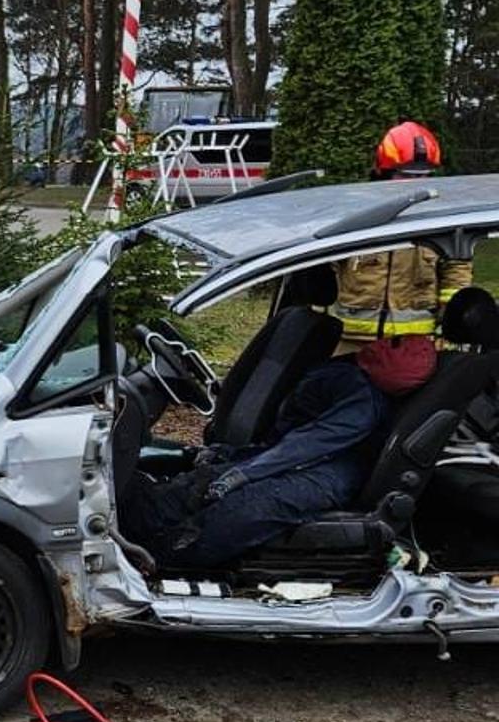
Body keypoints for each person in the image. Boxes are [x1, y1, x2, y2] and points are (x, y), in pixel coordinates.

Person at [122, 360, 393, 568]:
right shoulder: (347, 371)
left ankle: (154, 560)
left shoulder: (364, 400)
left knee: (238, 512)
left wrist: (246, 473)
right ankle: (132, 524)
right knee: (194, 487)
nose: (392, 344)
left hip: (329, 472)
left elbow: (312, 443)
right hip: (298, 458)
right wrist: (242, 463)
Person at [332, 121, 471, 349]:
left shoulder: (441, 220)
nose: (416, 183)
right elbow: (328, 270)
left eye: (423, 176)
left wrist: (451, 321)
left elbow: (456, 270)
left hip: (414, 346)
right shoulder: (360, 217)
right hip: (353, 342)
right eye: (406, 175)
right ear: (385, 172)